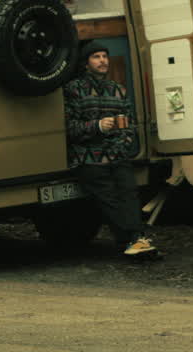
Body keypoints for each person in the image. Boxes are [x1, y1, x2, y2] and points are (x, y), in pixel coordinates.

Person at [63, 41, 157, 257]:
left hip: (115, 154)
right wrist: (96, 126)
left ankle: (133, 240)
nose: (103, 60)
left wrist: (117, 149)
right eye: (96, 56)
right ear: (86, 63)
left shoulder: (117, 90)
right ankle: (135, 239)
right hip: (87, 156)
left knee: (129, 191)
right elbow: (69, 128)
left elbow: (128, 127)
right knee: (108, 197)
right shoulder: (73, 90)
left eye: (105, 56)